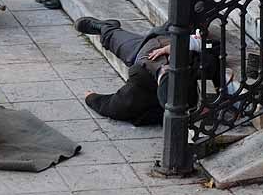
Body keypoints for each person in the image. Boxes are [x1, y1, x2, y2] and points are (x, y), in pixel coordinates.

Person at [75, 17, 220, 125]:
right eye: (167, 69)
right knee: (187, 13)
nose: (166, 65)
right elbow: (213, 47)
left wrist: (91, 97)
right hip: (174, 35)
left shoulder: (138, 87)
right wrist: (187, 45)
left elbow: (113, 106)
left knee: (113, 37)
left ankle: (106, 27)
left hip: (140, 50)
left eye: (166, 70)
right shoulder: (199, 69)